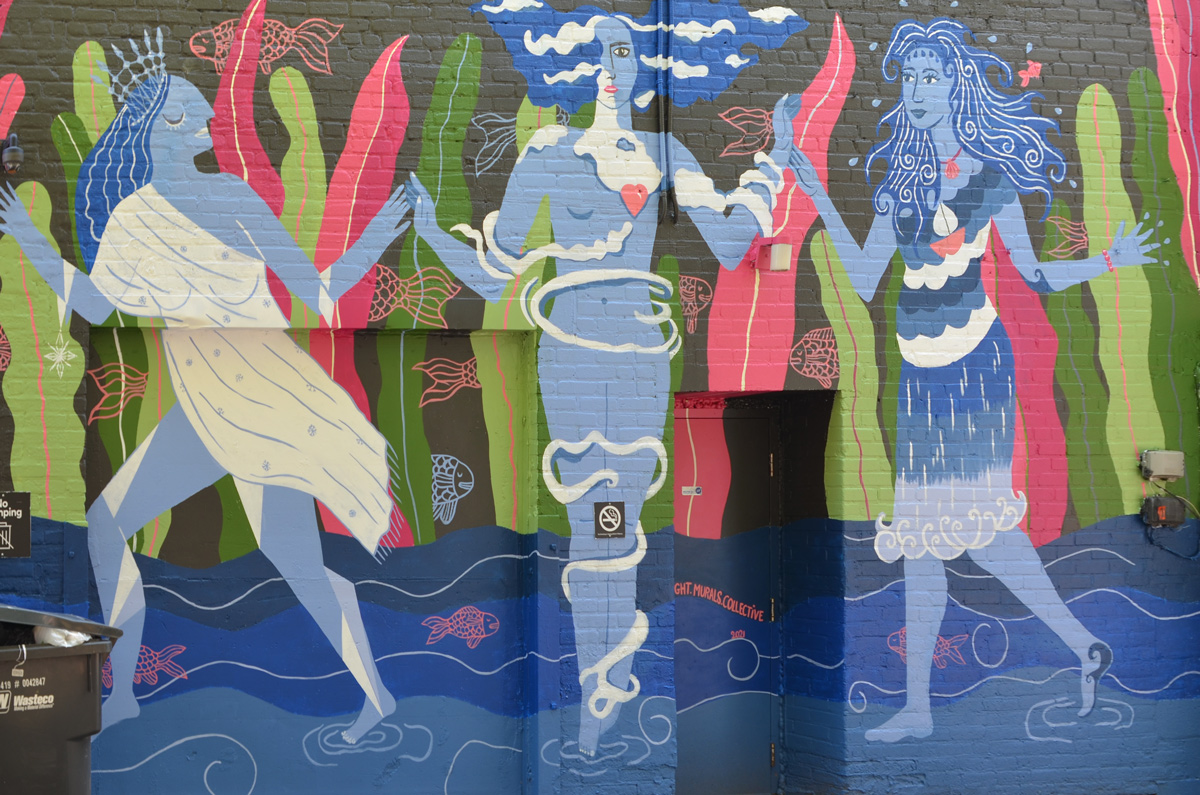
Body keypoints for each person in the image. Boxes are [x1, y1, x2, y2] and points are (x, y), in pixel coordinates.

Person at [412, 0, 806, 756]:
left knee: (616, 521)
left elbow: (730, 244)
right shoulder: (549, 153)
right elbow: (498, 272)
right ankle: (596, 693)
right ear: (574, 67)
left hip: (639, 354)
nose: (608, 69)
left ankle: (603, 693)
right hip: (573, 351)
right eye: (596, 54)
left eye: (622, 53)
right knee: (593, 520)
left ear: (641, 69)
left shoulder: (665, 154)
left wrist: (775, 160)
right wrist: (433, 231)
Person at [0, 32, 412, 743]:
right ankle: (121, 693)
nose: (211, 119)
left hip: (264, 402)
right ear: (157, 128)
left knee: (298, 564)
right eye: (190, 112)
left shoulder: (232, 196)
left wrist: (377, 234)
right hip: (204, 405)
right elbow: (98, 305)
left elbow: (317, 292)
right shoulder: (134, 221)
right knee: (108, 522)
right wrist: (34, 243)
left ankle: (377, 696)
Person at [789, 17, 1157, 742]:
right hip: (919, 378)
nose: (917, 90)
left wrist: (1109, 260)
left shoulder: (990, 180)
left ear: (956, 88)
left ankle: (1025, 665)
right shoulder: (899, 187)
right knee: (927, 537)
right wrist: (820, 194)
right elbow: (862, 278)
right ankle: (962, 692)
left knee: (974, 531)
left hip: (973, 370)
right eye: (909, 78)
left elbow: (1037, 274)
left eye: (931, 77)